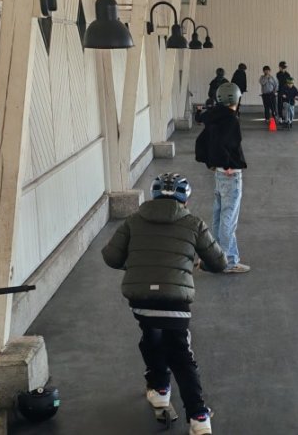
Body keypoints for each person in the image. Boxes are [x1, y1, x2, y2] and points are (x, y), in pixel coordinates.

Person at [101, 172, 227, 435]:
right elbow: (219, 263)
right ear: (185, 200)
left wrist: (135, 265)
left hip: (141, 300)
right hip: (174, 301)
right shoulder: (194, 223)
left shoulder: (133, 221)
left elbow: (111, 257)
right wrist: (200, 264)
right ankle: (199, 416)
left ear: (154, 196)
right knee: (180, 353)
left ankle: (159, 388)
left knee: (151, 334)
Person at [195, 82, 251, 272]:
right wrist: (226, 164)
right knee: (229, 219)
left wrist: (212, 163)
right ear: (236, 99)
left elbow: (203, 140)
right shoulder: (231, 120)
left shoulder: (213, 116)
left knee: (219, 218)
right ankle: (227, 262)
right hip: (230, 174)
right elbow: (224, 144)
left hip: (219, 174)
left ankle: (216, 257)